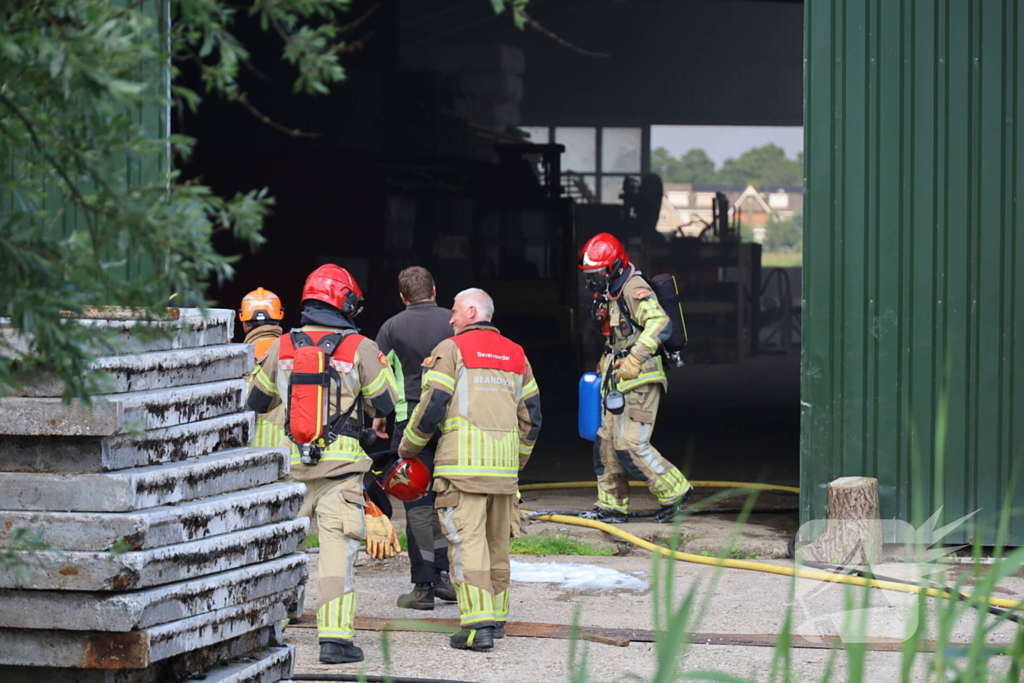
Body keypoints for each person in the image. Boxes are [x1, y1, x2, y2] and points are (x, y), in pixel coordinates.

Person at [246, 264, 399, 664]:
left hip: (290, 472)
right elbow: (386, 403)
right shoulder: (360, 347)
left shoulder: (282, 346)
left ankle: (267, 634)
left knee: (278, 556)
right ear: (344, 303)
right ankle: (335, 641)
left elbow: (256, 401)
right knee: (336, 557)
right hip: (341, 474)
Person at [397, 288, 542, 652]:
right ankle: (497, 618)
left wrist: (408, 448)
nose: (451, 319)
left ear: (473, 312)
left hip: (462, 472)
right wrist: (516, 462)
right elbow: (533, 418)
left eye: (455, 311)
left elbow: (433, 406)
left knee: (468, 543)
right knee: (497, 545)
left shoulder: (451, 349)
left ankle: (478, 627)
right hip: (504, 475)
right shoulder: (517, 353)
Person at [577, 233, 692, 524]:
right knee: (605, 443)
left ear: (614, 266)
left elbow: (660, 322)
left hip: (640, 378)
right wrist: (607, 358)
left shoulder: (633, 287)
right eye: (590, 274)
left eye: (598, 272)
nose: (593, 279)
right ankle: (612, 506)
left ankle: (675, 491)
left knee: (630, 444)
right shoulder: (611, 291)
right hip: (617, 379)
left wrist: (635, 358)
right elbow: (619, 335)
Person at [372, 266, 457, 609]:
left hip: (410, 424)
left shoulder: (391, 328)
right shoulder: (454, 321)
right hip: (451, 424)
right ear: (434, 290)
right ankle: (445, 577)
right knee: (448, 501)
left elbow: (379, 378)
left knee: (417, 503)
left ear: (402, 297)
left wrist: (380, 416)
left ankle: (423, 587)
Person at [239, 287, 286, 448]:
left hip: (246, 451)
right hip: (289, 452)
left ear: (244, 325)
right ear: (278, 320)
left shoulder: (235, 361)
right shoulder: (294, 353)